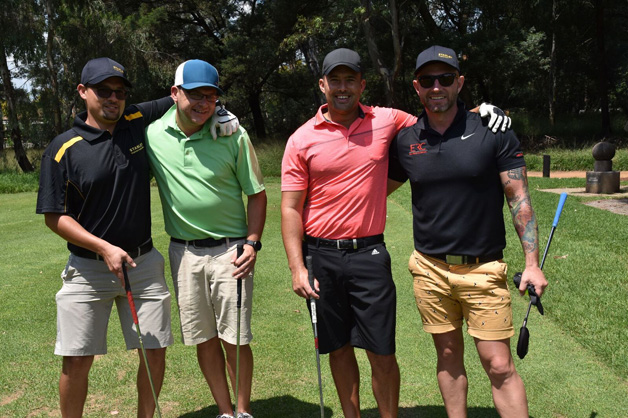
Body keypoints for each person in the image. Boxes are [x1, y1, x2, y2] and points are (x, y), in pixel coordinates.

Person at [280, 48, 510, 418]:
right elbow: (290, 208)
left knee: (382, 351)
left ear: (362, 85)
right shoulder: (300, 139)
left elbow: (439, 115)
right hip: (320, 254)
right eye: (335, 80)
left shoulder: (387, 119)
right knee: (338, 348)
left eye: (350, 80)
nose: (343, 88)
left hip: (369, 254)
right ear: (322, 85)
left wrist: (481, 111)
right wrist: (297, 267)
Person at [36, 57, 238, 418]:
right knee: (77, 358)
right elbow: (55, 217)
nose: (113, 98)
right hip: (88, 269)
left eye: (120, 92)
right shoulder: (63, 148)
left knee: (154, 351)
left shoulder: (134, 120)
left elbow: (186, 97)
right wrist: (103, 247)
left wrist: (221, 110)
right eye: (104, 91)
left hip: (142, 265)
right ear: (83, 92)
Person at [387, 45, 548, 417]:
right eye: (427, 80)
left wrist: (532, 263)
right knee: (447, 355)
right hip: (429, 269)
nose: (437, 87)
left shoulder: (492, 130)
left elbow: (519, 198)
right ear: (416, 87)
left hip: (483, 269)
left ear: (459, 83)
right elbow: (373, 192)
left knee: (499, 364)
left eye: (445, 78)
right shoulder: (406, 141)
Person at [146, 59, 267, 418]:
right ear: (175, 93)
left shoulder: (233, 135)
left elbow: (257, 194)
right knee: (203, 337)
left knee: (236, 338)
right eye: (195, 95)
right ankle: (225, 411)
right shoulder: (153, 135)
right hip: (183, 253)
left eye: (211, 97)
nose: (203, 104)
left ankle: (243, 411)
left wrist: (253, 241)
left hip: (232, 250)